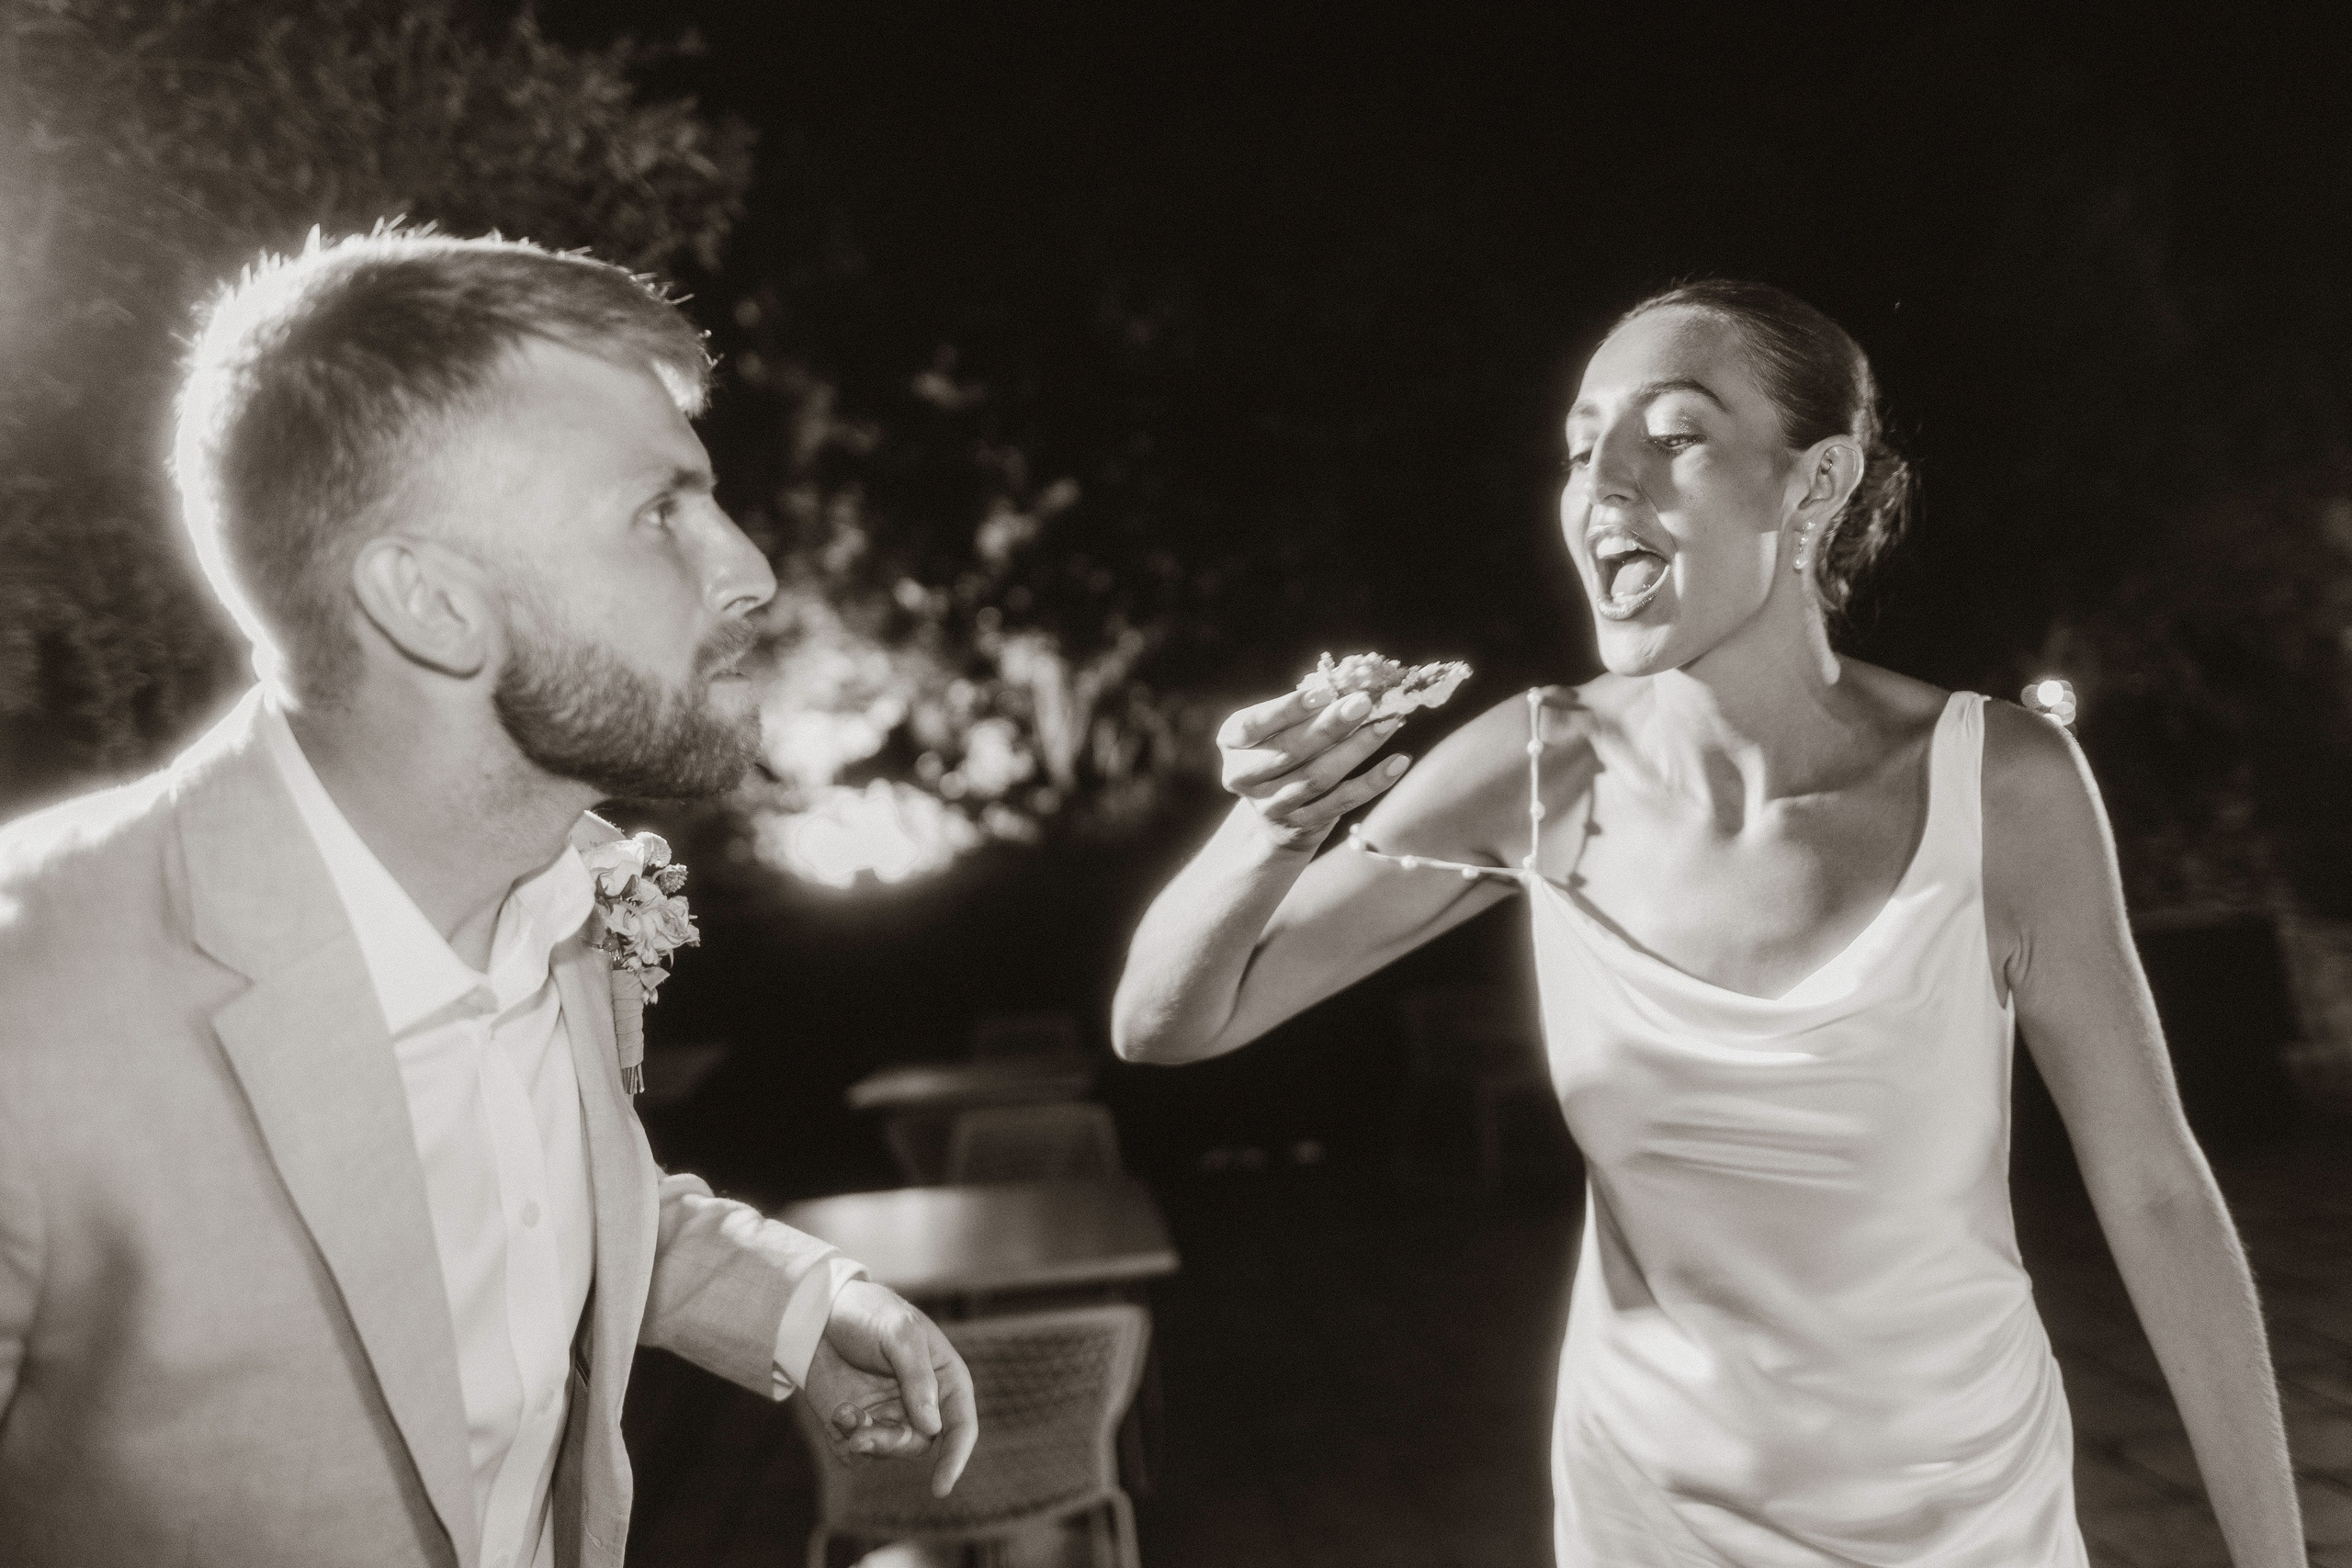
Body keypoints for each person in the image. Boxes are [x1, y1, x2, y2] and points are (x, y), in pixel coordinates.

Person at [1111, 280, 2305, 1566]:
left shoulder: (1999, 784)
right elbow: (1167, 1024)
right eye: (1581, 449)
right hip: (1650, 1523)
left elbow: (2156, 1190)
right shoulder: (1537, 768)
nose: (1603, 486)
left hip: (1964, 1517)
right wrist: (1272, 825)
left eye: (1672, 435)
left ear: (1817, 483)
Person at [0, 231, 978, 1568]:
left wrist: (798, 1307)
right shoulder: (31, 1019)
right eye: (658, 511)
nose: (748, 568)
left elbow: (524, 1193)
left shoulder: (552, 896)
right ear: (432, 603)